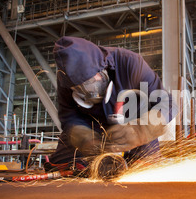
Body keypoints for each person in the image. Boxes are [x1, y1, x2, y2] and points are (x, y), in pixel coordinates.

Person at [45, 36, 174, 173]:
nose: (89, 90)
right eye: (79, 88)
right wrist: (83, 138)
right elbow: (68, 116)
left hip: (133, 124)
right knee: (63, 165)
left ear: (102, 67)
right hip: (90, 128)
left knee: (146, 167)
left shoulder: (130, 62)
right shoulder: (66, 81)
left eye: (91, 82)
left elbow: (167, 103)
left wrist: (142, 129)